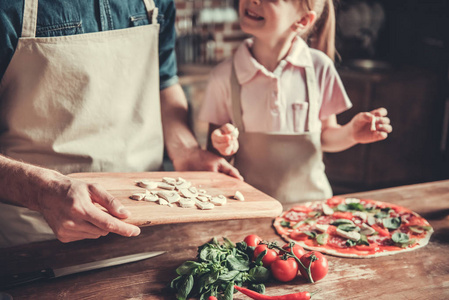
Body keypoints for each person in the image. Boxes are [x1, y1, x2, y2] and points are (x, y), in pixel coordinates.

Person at [0, 0, 242, 248]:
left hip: (148, 228)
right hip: (34, 243)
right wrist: (41, 191)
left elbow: (163, 81)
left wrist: (187, 150)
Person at [199, 0, 392, 203]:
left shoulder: (320, 67)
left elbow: (326, 137)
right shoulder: (223, 76)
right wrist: (221, 144)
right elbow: (215, 158)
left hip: (312, 209)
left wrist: (352, 133)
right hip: (250, 207)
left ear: (302, 20)